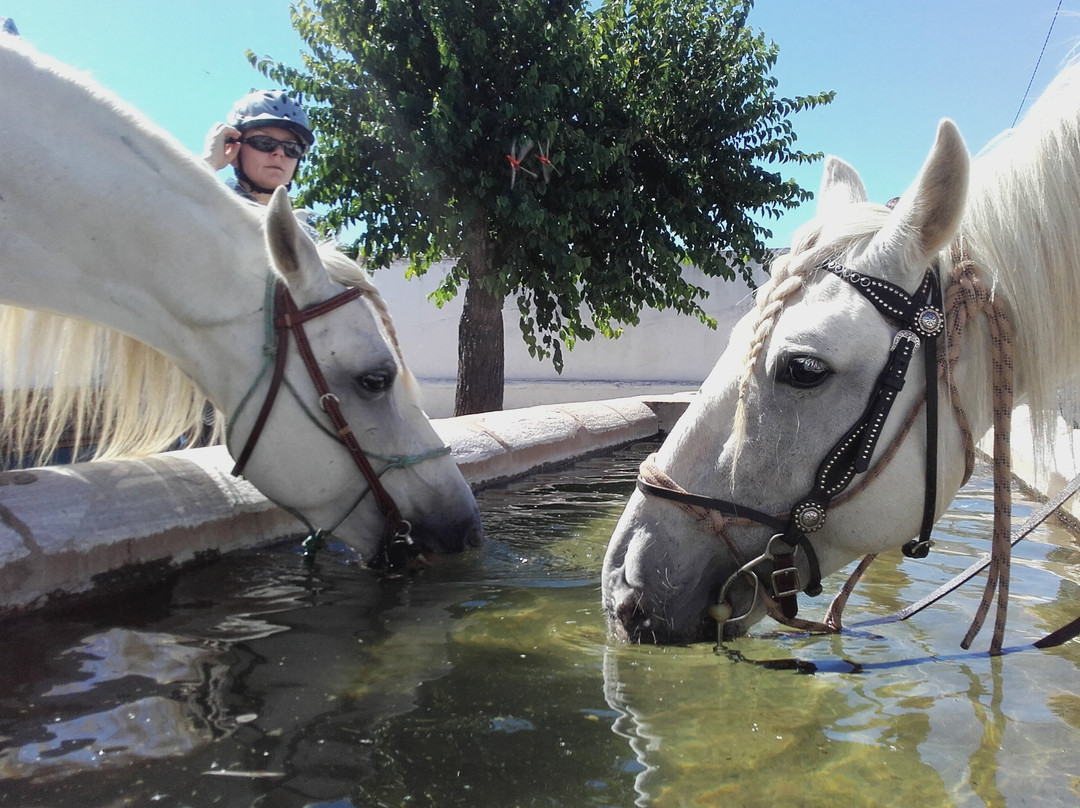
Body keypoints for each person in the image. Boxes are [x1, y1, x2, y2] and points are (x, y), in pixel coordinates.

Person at [203, 90, 314, 206]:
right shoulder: (206, 206)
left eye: (291, 148)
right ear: (233, 151)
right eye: (264, 142)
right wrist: (209, 162)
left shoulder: (302, 223)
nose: (280, 152)